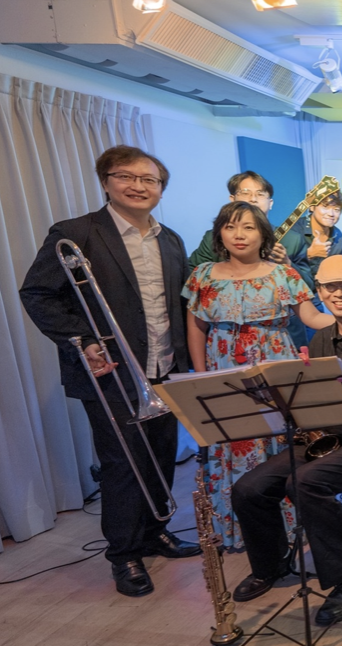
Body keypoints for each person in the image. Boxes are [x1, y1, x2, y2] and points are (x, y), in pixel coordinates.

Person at [20, 145, 200, 597]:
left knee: (161, 455)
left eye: (149, 180)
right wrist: (82, 340)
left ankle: (155, 532)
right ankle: (124, 554)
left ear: (160, 189)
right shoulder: (75, 233)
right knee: (123, 464)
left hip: (163, 366)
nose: (138, 186)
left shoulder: (171, 239)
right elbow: (38, 294)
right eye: (126, 176)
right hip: (111, 371)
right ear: (105, 181)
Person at [230, 256, 342, 626]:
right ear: (320, 293)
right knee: (248, 488)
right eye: (330, 287)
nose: (339, 293)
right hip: (327, 436)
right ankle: (271, 564)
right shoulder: (320, 339)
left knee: (305, 482)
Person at [184, 201, 336, 547]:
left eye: (248, 227)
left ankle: (286, 531)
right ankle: (241, 532)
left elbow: (311, 317)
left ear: (263, 234)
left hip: (273, 367)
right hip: (223, 370)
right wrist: (201, 377)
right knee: (230, 442)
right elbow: (196, 326)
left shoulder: (284, 274)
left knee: (278, 446)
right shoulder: (202, 275)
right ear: (219, 233)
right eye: (230, 226)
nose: (239, 234)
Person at [187, 171, 313, 349]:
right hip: (226, 338)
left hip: (283, 339)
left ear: (270, 203)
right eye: (245, 193)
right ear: (232, 199)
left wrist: (288, 265)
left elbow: (310, 287)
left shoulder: (292, 239)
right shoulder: (215, 238)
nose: (253, 199)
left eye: (260, 194)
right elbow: (194, 283)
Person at [304, 189, 342, 277]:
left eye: (336, 209)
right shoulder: (295, 231)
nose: (331, 214)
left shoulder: (338, 235)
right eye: (325, 207)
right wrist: (309, 254)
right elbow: (283, 267)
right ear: (312, 207)